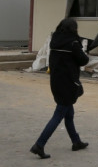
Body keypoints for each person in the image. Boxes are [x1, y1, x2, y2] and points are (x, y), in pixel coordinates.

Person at [30, 18, 90, 159]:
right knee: (59, 115)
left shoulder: (55, 40)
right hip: (68, 83)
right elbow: (84, 60)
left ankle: (76, 141)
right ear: (73, 29)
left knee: (68, 114)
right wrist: (83, 50)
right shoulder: (73, 43)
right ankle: (39, 144)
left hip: (56, 81)